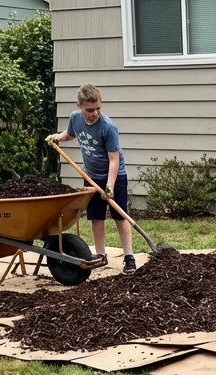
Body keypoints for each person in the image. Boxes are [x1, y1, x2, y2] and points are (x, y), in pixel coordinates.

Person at [47, 84, 135, 272]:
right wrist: (57, 137)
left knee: (120, 215)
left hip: (115, 175)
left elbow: (114, 159)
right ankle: (101, 255)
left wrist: (110, 186)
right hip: (91, 176)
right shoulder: (75, 118)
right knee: (96, 216)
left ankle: (129, 257)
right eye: (90, 110)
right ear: (79, 106)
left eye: (98, 109)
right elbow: (70, 134)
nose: (94, 113)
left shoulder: (108, 127)